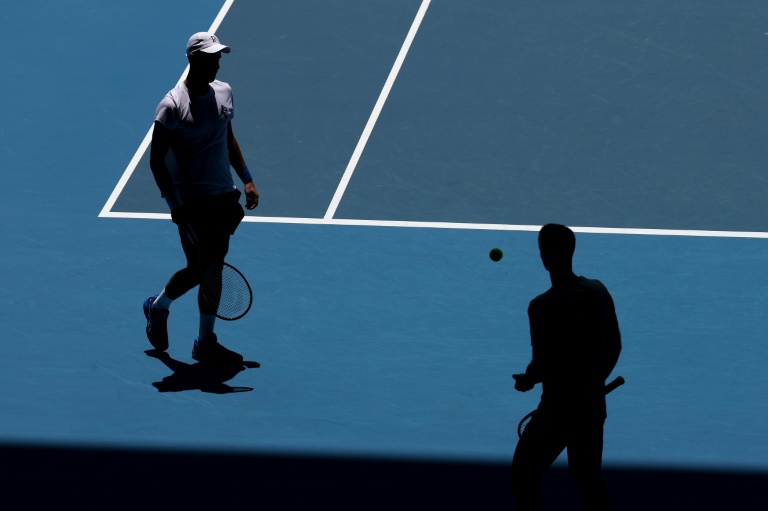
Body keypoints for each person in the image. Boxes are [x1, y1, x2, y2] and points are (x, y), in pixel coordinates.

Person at [143, 32, 259, 365]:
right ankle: (166, 312)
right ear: (194, 59)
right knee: (203, 269)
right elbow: (156, 161)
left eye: (219, 56)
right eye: (211, 57)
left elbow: (228, 137)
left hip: (224, 196)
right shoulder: (172, 105)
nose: (217, 62)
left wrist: (247, 178)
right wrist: (175, 206)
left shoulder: (224, 91)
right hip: (192, 202)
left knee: (210, 269)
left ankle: (183, 324)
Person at [510, 224, 622, 510]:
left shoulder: (541, 306)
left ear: (544, 256)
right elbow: (615, 347)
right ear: (571, 251)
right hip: (592, 406)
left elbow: (542, 365)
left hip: (557, 411)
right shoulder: (599, 291)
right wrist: (594, 382)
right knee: (587, 479)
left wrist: (527, 380)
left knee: (523, 474)